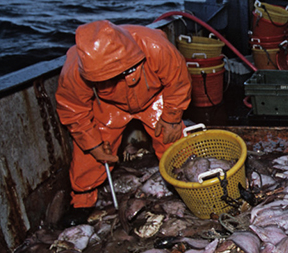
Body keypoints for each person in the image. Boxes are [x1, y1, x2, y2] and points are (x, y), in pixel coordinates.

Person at [56, 20, 191, 224]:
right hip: (109, 106)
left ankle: (184, 187)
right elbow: (74, 111)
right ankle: (82, 201)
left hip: (155, 98)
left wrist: (171, 118)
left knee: (174, 143)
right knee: (89, 155)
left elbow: (178, 81)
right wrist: (93, 144)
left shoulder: (156, 47)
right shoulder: (74, 71)